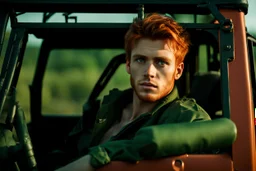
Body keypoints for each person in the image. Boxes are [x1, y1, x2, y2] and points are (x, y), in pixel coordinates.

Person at [55, 13, 211, 171]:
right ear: (128, 65)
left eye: (161, 62)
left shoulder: (187, 117)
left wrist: (101, 155)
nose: (149, 72)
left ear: (178, 71)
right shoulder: (103, 109)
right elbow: (66, 155)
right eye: (140, 60)